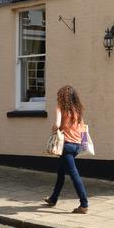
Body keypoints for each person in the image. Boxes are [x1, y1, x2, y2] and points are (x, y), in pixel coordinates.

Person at [43, 84, 89, 213]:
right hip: (77, 145)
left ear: (62, 97)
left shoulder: (61, 107)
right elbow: (83, 128)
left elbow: (57, 125)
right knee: (61, 172)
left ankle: (84, 204)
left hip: (66, 146)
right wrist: (83, 145)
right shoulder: (78, 110)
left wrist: (55, 129)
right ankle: (53, 198)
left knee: (74, 175)